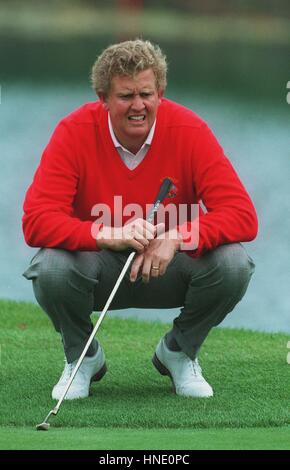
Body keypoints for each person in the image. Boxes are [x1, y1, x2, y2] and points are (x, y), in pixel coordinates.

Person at [22, 39, 257, 400]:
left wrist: (179, 236)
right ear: (103, 97)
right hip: (98, 268)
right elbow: (36, 220)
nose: (138, 105)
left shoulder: (190, 131)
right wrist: (106, 234)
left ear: (160, 92)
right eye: (125, 96)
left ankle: (179, 351)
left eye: (146, 94)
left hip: (169, 268)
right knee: (50, 267)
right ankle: (81, 356)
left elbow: (243, 216)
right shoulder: (74, 131)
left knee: (234, 263)